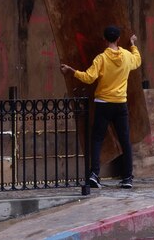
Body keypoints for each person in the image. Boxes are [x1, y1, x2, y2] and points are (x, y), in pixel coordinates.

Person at [60, 26, 141, 189]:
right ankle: (127, 178)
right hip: (120, 104)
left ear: (105, 39)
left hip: (103, 104)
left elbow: (88, 78)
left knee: (97, 139)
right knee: (125, 141)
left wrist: (71, 70)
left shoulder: (101, 59)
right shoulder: (126, 56)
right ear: (118, 39)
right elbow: (137, 60)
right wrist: (132, 44)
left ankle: (95, 174)